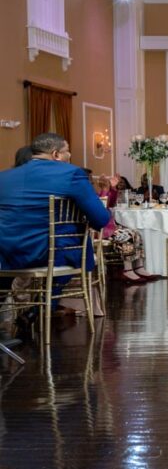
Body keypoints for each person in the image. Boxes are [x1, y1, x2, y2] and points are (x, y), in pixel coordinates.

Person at [0, 133, 110, 333]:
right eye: (68, 151)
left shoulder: (4, 177)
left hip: (8, 253)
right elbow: (101, 219)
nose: (69, 155)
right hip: (48, 253)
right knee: (76, 247)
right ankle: (40, 306)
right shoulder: (71, 174)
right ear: (56, 154)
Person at [96, 175, 155, 284]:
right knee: (127, 236)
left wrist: (112, 189)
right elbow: (101, 209)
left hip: (110, 227)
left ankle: (139, 267)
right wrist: (105, 190)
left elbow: (111, 203)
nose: (91, 180)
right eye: (89, 178)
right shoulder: (95, 194)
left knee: (136, 234)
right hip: (99, 229)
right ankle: (127, 270)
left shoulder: (99, 193)